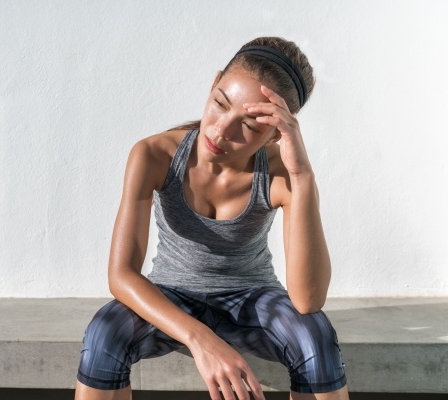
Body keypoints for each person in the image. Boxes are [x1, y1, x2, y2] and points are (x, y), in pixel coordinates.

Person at [74, 37, 349, 400]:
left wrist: (302, 178)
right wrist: (201, 340)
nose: (220, 131)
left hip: (251, 299)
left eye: (250, 126)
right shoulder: (154, 154)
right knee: (103, 333)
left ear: (275, 131)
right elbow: (121, 275)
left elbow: (307, 300)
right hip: (172, 294)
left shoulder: (282, 174)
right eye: (220, 104)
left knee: (315, 334)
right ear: (214, 82)